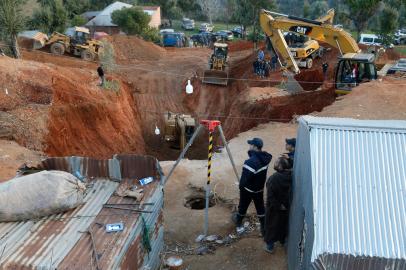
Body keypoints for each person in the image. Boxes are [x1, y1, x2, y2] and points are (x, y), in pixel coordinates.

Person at [233, 138, 272, 235]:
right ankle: (264, 229)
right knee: (260, 208)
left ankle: (238, 223)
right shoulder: (265, 158)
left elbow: (244, 181)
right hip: (259, 189)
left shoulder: (250, 162)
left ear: (254, 147)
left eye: (251, 144)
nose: (249, 146)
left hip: (248, 190)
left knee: (243, 206)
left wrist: (241, 188)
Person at [264, 157, 292, 253]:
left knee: (271, 226)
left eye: (276, 162)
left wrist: (278, 205)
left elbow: (270, 196)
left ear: (280, 166)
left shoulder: (273, 178)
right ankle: (282, 241)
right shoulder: (290, 176)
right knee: (282, 225)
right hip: (286, 207)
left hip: (274, 208)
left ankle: (270, 247)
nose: (274, 163)